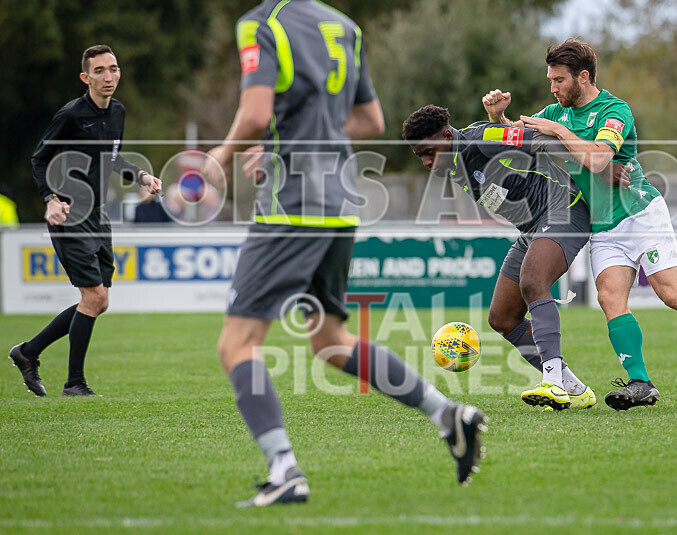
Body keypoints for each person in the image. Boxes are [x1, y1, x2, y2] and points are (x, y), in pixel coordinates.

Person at [201, 1, 486, 508]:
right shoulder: (345, 26)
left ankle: (284, 469)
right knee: (331, 341)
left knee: (236, 344)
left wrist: (218, 158)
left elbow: (256, 113)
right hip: (339, 201)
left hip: (291, 207)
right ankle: (449, 416)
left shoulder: (261, 23)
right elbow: (370, 119)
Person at [482, 38, 677, 409]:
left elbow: (599, 159)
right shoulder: (555, 111)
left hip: (640, 213)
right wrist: (498, 116)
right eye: (550, 80)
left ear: (583, 76)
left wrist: (560, 134)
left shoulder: (615, 110)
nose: (553, 88)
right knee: (611, 299)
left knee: (672, 294)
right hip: (602, 225)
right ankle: (641, 384)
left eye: (559, 80)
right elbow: (518, 135)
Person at [403, 105, 629, 412]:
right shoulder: (452, 162)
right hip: (532, 228)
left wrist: (599, 167)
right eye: (420, 156)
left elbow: (540, 140)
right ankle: (574, 388)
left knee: (533, 282)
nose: (427, 162)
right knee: (503, 318)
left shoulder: (481, 138)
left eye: (429, 151)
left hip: (564, 207)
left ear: (446, 135)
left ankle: (553, 382)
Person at [8, 45, 162, 397]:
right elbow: (39, 159)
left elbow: (111, 157)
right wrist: (50, 200)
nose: (108, 77)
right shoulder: (72, 114)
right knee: (92, 296)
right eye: (99, 71)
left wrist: (141, 176)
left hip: (97, 213)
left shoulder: (117, 111)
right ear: (85, 77)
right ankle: (74, 383)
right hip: (69, 215)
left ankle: (28, 352)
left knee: (99, 300)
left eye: (113, 69)